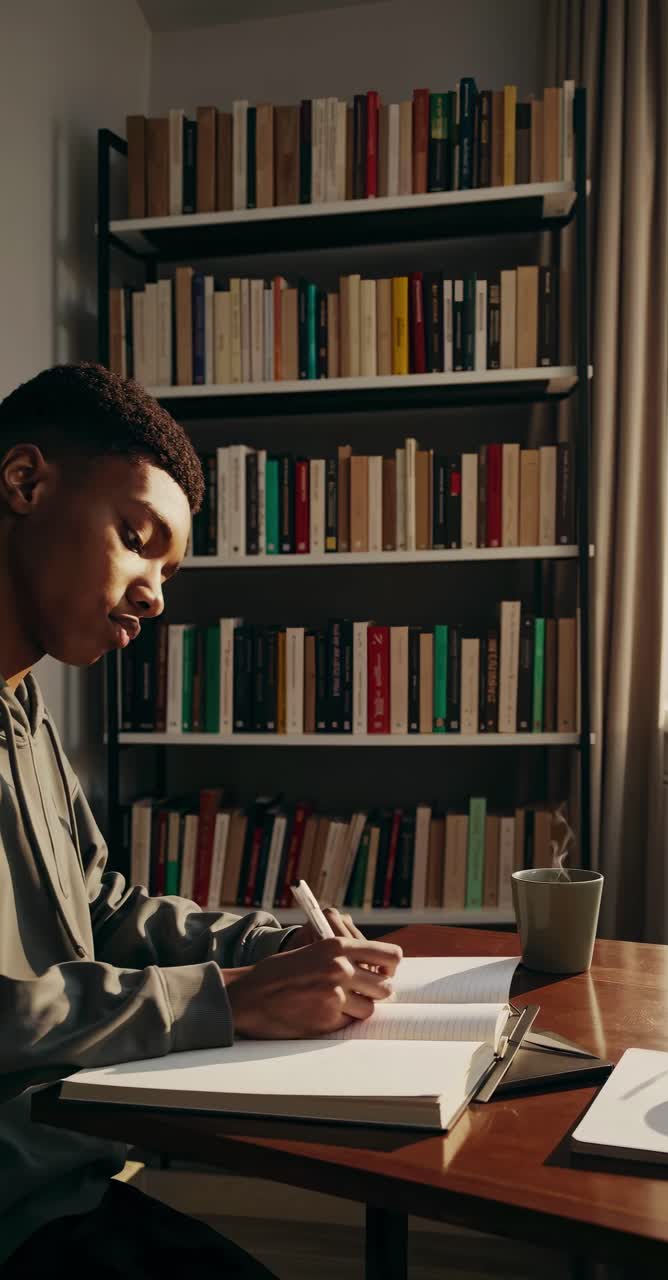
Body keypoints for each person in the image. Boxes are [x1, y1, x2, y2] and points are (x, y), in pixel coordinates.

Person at [0, 363, 402, 1277]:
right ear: (24, 482)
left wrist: (271, 945)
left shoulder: (25, 713)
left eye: (168, 571)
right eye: (137, 540)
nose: (155, 593)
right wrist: (227, 1000)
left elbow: (97, 912)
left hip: (68, 1179)